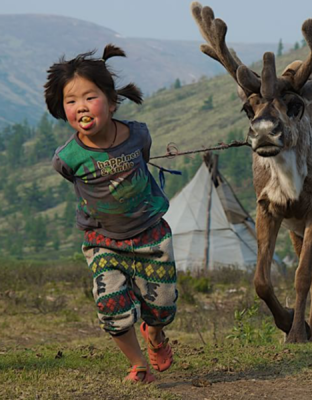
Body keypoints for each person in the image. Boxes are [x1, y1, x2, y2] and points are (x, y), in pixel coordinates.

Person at [44, 44, 178, 384]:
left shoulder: (137, 136)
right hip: (102, 239)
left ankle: (155, 334)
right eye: (71, 101)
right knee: (112, 307)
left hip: (150, 233)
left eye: (89, 97)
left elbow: (143, 159)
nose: (81, 108)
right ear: (62, 110)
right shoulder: (68, 158)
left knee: (163, 306)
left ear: (112, 101)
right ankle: (138, 365)